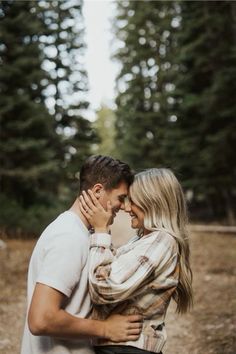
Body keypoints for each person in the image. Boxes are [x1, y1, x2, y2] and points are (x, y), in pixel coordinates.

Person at [21, 155, 143, 354]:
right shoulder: (69, 236)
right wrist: (105, 329)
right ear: (97, 191)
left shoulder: (78, 232)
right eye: (120, 198)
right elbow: (41, 319)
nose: (122, 207)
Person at [79, 168, 193, 354]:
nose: (126, 208)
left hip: (127, 348)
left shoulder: (162, 241)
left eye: (132, 201)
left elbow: (103, 289)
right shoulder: (143, 239)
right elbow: (113, 268)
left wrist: (100, 231)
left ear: (153, 202)